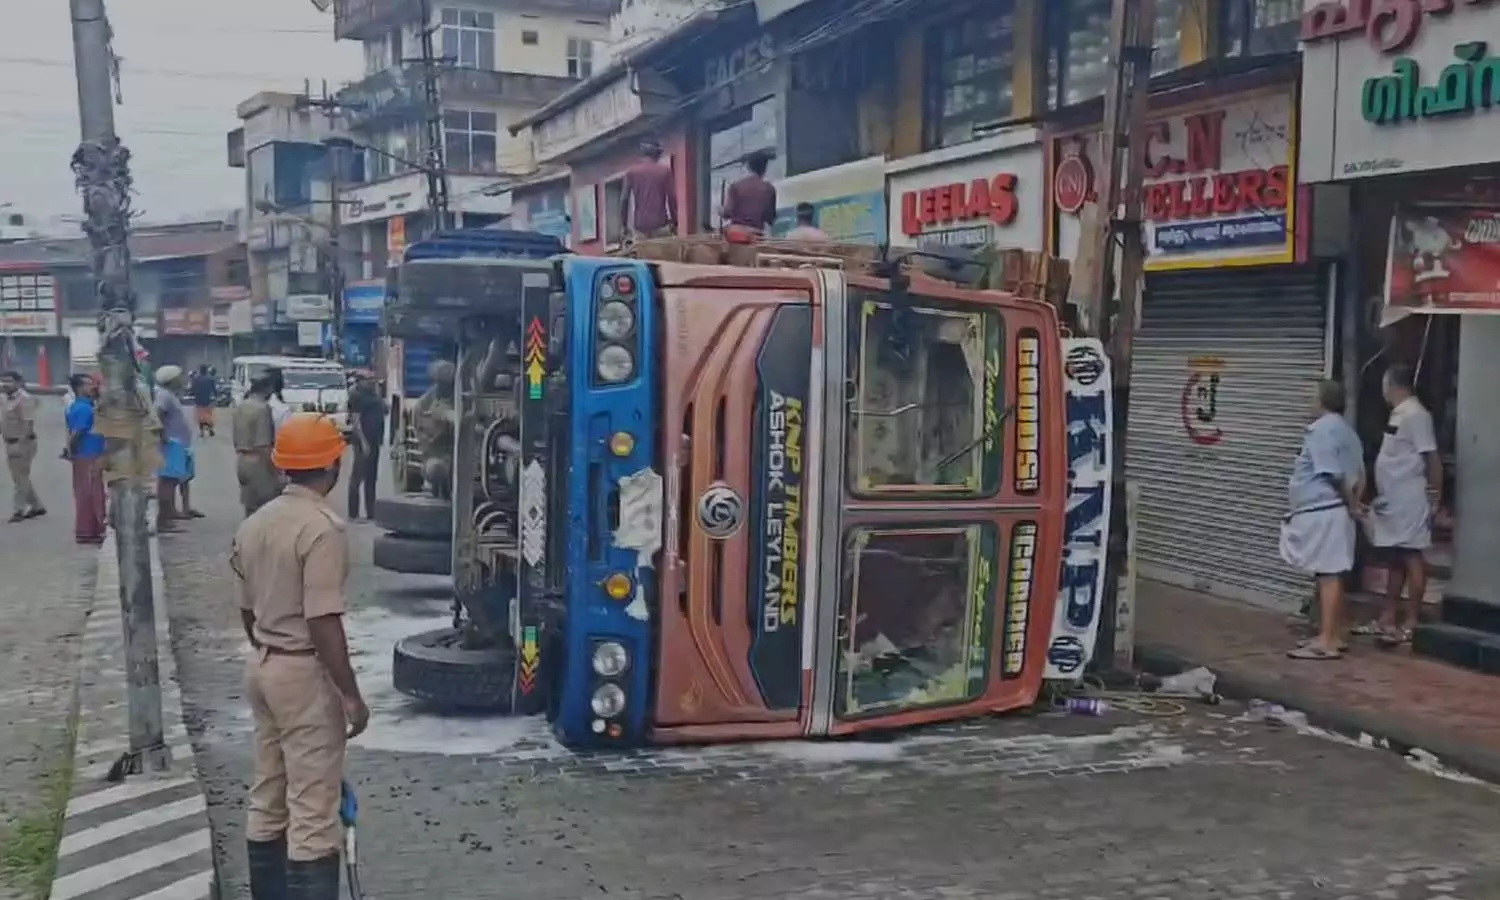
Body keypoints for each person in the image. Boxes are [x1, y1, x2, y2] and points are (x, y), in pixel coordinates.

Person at [233, 413, 368, 900]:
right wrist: (350, 695)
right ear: (333, 465)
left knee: (268, 796)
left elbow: (246, 609)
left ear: (282, 465)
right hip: (302, 672)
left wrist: (269, 650)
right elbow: (323, 619)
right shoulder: (322, 528)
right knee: (313, 813)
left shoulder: (256, 522)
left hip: (264, 664)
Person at [1356, 364, 1442, 646]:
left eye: (1384, 383)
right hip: (1393, 500)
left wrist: (1435, 496)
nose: (1383, 389)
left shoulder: (1417, 415)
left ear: (1393, 384)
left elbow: (1432, 458)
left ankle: (1412, 621)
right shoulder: (1399, 413)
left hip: (1411, 499)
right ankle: (1387, 617)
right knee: (1395, 556)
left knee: (1412, 555)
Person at [1281, 380, 1365, 660]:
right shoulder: (1347, 431)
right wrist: (1354, 503)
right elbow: (1359, 475)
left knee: (1329, 574)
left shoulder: (1322, 431)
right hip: (1332, 511)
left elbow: (1332, 473)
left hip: (1325, 510)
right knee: (1329, 573)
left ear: (1322, 401)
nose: (1308, 402)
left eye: (1311, 397)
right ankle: (1330, 633)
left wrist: (1352, 505)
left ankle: (1327, 641)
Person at [154, 366, 201, 527]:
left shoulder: (171, 395)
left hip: (179, 443)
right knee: (167, 480)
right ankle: (164, 517)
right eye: (180, 376)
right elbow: (158, 415)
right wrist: (162, 436)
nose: (183, 379)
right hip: (171, 443)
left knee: (176, 478)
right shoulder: (164, 396)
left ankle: (172, 511)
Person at [65, 374, 108, 544]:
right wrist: (72, 450)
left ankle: (88, 529)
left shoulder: (83, 406)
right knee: (91, 493)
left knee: (87, 492)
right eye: (89, 384)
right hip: (88, 455)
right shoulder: (83, 409)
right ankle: (92, 529)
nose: (93, 387)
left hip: (88, 454)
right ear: (79, 387)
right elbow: (77, 433)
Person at [235, 375, 283, 517]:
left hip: (242, 460)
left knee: (249, 506)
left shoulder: (241, 406)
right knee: (264, 508)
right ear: (267, 389)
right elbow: (263, 445)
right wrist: (275, 470)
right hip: (258, 462)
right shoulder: (263, 409)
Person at [1, 371, 44, 522]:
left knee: (20, 477)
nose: (5, 384)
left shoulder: (24, 399)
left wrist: (21, 444)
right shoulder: (4, 398)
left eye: (9, 381)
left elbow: (28, 424)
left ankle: (19, 509)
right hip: (9, 442)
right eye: (3, 381)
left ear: (18, 383)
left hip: (23, 442)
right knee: (20, 477)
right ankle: (37, 506)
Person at [344, 373, 384, 519]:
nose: (372, 382)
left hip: (374, 440)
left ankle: (371, 512)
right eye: (368, 380)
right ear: (360, 381)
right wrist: (363, 442)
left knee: (371, 478)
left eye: (373, 379)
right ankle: (353, 513)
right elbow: (356, 421)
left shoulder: (374, 393)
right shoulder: (356, 395)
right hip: (363, 441)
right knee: (358, 476)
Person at [621, 139, 678, 241]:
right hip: (660, 226)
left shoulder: (632, 173)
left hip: (640, 228)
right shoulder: (665, 171)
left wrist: (624, 226)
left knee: (641, 255)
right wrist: (675, 223)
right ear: (657, 155)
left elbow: (624, 199)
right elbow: (672, 199)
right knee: (664, 256)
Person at [721, 149, 777, 235]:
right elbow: (770, 218)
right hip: (756, 234)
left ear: (749, 167)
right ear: (765, 168)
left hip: (737, 233)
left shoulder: (736, 186)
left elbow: (728, 212)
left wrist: (721, 211)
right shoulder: (769, 189)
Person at [190, 364, 218, 437]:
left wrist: (193, 394)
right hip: (207, 400)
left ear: (200, 370)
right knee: (208, 416)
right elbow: (214, 389)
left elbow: (192, 389)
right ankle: (210, 429)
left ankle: (202, 431)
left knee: (200, 417)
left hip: (198, 400)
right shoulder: (210, 379)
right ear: (206, 370)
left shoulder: (196, 379)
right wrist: (216, 396)